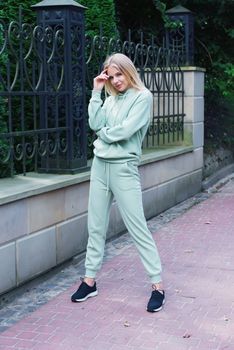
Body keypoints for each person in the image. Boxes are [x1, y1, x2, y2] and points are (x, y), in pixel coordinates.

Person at [71, 53, 165, 312]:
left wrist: (102, 135)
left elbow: (124, 131)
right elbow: (94, 122)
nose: (116, 80)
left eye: (119, 74)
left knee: (138, 228)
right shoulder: (110, 98)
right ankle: (89, 281)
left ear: (129, 71)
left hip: (124, 168)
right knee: (96, 225)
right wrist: (96, 92)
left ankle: (158, 286)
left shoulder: (143, 97)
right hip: (100, 167)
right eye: (111, 76)